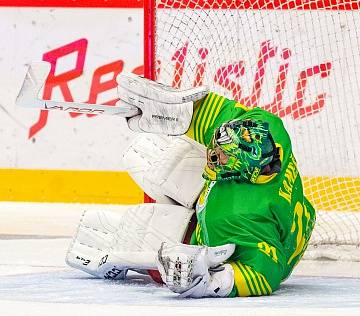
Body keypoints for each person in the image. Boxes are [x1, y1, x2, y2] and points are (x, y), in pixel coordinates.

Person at [65, 74, 315, 298]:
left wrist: (215, 280)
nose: (215, 155)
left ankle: (166, 241)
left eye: (224, 156)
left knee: (150, 238)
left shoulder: (236, 218)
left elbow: (266, 272)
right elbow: (217, 114)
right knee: (155, 155)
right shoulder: (268, 129)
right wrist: (168, 111)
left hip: (270, 241)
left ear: (245, 168)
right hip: (282, 215)